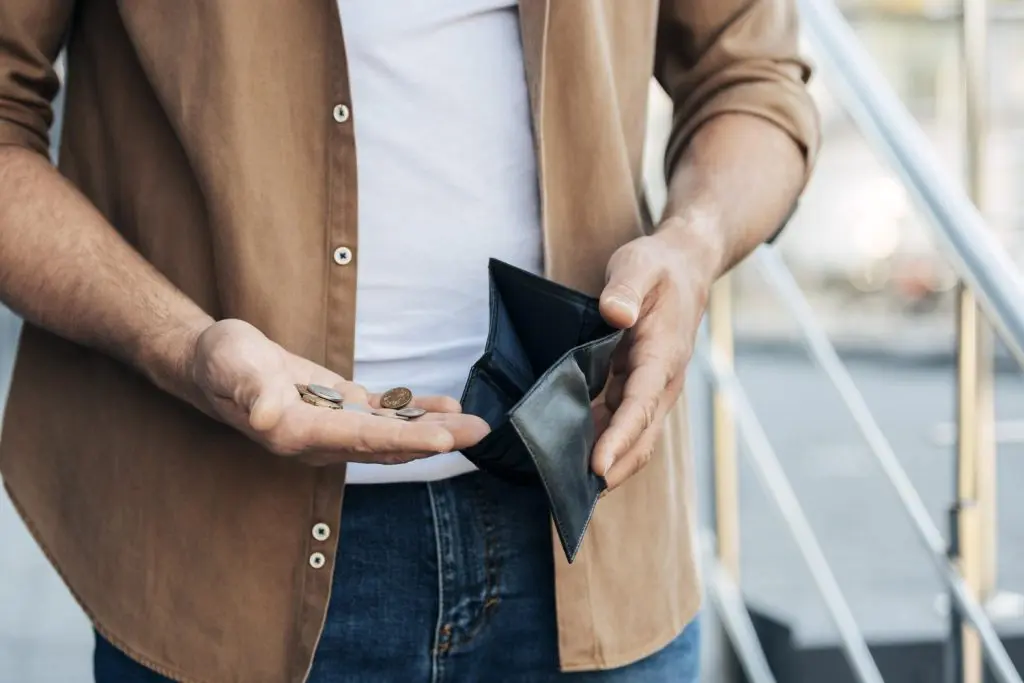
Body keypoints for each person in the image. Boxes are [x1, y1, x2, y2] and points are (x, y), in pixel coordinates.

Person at [0, 1, 818, 681]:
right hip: (216, 559)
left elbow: (749, 78)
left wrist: (694, 242)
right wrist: (179, 344)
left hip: (593, 543)